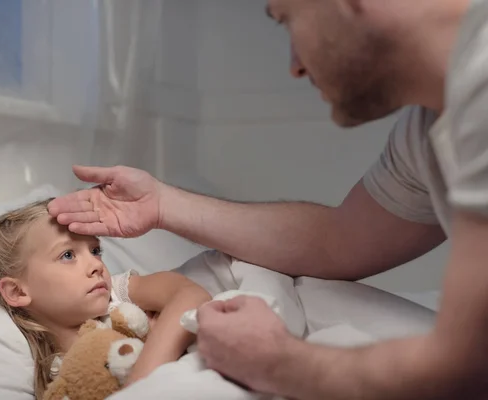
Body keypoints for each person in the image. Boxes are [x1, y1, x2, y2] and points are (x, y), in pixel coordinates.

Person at [47, 0, 488, 398]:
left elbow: (464, 370)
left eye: (286, 19)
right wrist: (163, 204)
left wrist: (277, 363)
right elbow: (337, 242)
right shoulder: (429, 128)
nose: (294, 66)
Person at [0, 198, 211, 399]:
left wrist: (142, 379)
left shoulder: (118, 294)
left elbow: (191, 294)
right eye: (68, 255)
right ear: (18, 292)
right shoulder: (59, 377)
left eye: (95, 250)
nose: (96, 264)